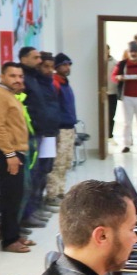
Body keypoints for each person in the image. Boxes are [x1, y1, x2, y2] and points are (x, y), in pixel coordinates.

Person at [0, 62, 33, 254]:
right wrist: (10, 154)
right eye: (13, 76)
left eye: (20, 76)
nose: (18, 80)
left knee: (18, 194)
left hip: (15, 152)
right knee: (11, 197)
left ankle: (14, 233)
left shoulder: (10, 94)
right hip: (7, 153)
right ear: (2, 76)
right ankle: (9, 240)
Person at [20, 48, 62, 220]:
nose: (49, 70)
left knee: (44, 171)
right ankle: (30, 212)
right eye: (36, 58)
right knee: (35, 174)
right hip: (37, 134)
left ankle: (38, 206)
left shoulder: (44, 81)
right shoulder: (29, 80)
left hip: (49, 132)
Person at [46, 54, 79, 203]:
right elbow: (52, 109)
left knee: (66, 162)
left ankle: (60, 192)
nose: (67, 67)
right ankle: (52, 195)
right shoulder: (55, 83)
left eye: (69, 64)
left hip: (69, 128)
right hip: (60, 130)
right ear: (57, 67)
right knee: (57, 163)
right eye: (64, 65)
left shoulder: (65, 83)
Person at [111, 43, 137, 151]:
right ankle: (126, 145)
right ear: (128, 52)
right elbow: (113, 77)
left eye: (135, 52)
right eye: (131, 52)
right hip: (126, 98)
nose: (133, 54)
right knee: (126, 123)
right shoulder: (122, 64)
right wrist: (119, 77)